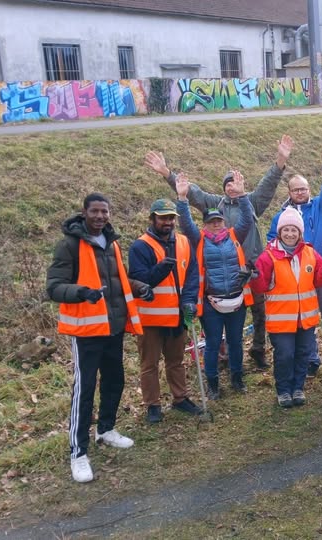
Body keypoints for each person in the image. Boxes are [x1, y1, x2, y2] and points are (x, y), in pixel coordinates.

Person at [144, 135, 292, 371]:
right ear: (224, 188)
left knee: (259, 311)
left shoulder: (251, 202)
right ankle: (221, 355)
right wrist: (167, 173)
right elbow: (192, 193)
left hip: (251, 268)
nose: (232, 186)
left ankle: (258, 349)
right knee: (219, 314)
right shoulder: (215, 205)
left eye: (236, 182)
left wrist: (280, 160)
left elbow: (268, 184)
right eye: (228, 183)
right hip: (218, 272)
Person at [46, 193, 153, 484]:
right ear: (84, 212)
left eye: (104, 212)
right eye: (95, 211)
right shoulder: (70, 245)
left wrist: (140, 286)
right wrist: (80, 292)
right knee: (85, 389)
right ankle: (78, 453)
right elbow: (54, 287)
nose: (100, 216)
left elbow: (118, 279)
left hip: (114, 328)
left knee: (115, 380)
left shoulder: (112, 243)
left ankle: (106, 429)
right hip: (87, 332)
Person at [175, 171, 255, 398]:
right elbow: (186, 223)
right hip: (211, 303)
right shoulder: (198, 239)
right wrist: (182, 199)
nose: (216, 224)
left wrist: (242, 196)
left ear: (223, 221)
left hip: (237, 300)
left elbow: (248, 218)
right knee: (211, 344)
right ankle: (212, 385)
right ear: (205, 225)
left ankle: (237, 378)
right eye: (211, 222)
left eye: (218, 220)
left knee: (236, 342)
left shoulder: (233, 235)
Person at [266, 146, 322, 378]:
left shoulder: (321, 206)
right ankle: (311, 359)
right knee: (305, 322)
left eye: (303, 189)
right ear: (289, 192)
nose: (300, 193)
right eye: (295, 190)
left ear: (309, 189)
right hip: (297, 277)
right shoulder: (281, 216)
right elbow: (272, 241)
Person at [128, 199, 203, 424]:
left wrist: (190, 301)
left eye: (171, 218)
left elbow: (192, 276)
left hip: (178, 316)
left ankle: (180, 398)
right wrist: (161, 269)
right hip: (151, 318)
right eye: (163, 218)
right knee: (149, 364)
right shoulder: (140, 246)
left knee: (176, 361)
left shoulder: (183, 242)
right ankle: (153, 405)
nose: (167, 222)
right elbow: (140, 280)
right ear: (153, 219)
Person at [251, 208, 322, 408]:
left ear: (300, 233)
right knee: (285, 355)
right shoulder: (268, 256)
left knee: (303, 353)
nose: (290, 234)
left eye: (294, 230)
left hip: (305, 318)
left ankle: (298, 387)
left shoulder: (310, 252)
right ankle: (283, 390)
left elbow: (320, 279)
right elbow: (259, 287)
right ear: (280, 232)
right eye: (286, 230)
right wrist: (254, 277)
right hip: (281, 319)